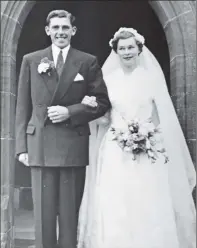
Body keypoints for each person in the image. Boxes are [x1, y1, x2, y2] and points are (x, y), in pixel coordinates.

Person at [77, 27, 196, 248]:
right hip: (114, 148)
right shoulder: (108, 80)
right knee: (116, 199)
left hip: (147, 149)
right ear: (116, 51)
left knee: (147, 198)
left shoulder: (151, 78)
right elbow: (104, 118)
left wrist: (146, 135)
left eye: (131, 47)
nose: (127, 52)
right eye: (122, 48)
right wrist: (91, 109)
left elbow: (162, 117)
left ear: (139, 49)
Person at [15, 9, 111, 248]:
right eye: (56, 28)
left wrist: (71, 111)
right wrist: (20, 147)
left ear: (73, 31)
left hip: (72, 145)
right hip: (40, 145)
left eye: (65, 28)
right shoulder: (31, 60)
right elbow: (22, 107)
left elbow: (102, 102)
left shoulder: (87, 61)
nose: (60, 32)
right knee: (43, 219)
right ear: (48, 31)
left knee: (69, 217)